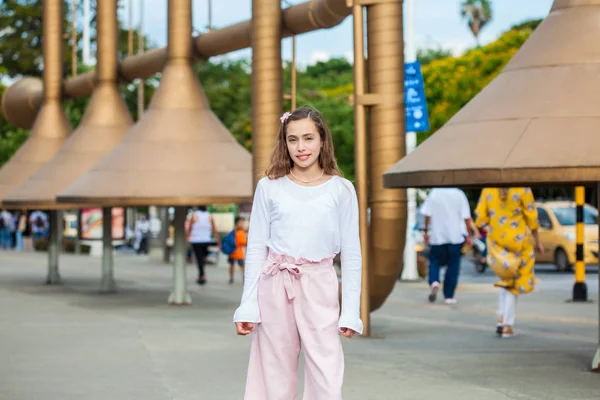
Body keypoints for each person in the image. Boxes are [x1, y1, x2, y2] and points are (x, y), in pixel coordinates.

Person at [233, 106, 363, 399]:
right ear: (285, 143)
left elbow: (352, 254)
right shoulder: (269, 187)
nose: (301, 147)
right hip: (275, 283)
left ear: (322, 140)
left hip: (320, 284)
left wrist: (351, 311)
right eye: (293, 140)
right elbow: (256, 249)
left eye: (308, 138)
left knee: (327, 372)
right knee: (274, 372)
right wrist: (247, 305)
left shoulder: (341, 190)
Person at [474, 187, 543, 338]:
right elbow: (532, 219)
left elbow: (480, 218)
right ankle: (507, 325)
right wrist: (538, 242)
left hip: (497, 241)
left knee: (505, 279)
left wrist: (495, 227)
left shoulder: (488, 190)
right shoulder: (523, 189)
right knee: (514, 284)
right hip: (519, 241)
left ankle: (501, 318)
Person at [421, 188, 478, 304]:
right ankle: (449, 296)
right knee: (453, 265)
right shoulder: (459, 194)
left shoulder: (434, 193)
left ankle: (434, 281)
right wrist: (469, 235)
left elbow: (427, 215)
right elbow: (466, 217)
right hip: (455, 236)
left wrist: (426, 231)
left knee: (434, 261)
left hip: (438, 236)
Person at [186, 206, 221, 285]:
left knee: (199, 258)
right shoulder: (209, 216)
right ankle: (202, 274)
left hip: (196, 240)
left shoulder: (194, 215)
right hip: (206, 240)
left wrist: (187, 237)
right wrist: (218, 242)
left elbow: (190, 228)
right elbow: (214, 230)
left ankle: (201, 275)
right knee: (202, 257)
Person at [227, 217, 247, 285]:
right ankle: (233, 278)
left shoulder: (234, 232)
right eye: (240, 223)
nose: (241, 224)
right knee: (237, 265)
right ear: (236, 223)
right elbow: (243, 242)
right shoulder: (238, 232)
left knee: (236, 265)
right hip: (235, 252)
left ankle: (242, 278)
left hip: (235, 252)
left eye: (242, 223)